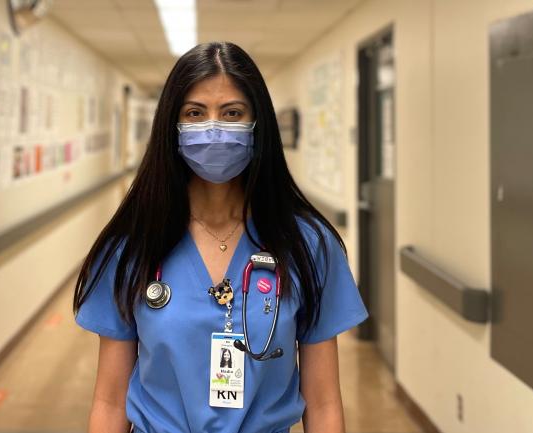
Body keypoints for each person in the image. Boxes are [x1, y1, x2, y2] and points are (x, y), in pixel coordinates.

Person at [73, 41, 368, 433]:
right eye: (195, 113)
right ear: (172, 127)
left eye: (231, 113)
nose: (213, 129)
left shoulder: (307, 245)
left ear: (257, 124)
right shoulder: (133, 246)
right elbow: (110, 403)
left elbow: (325, 402)